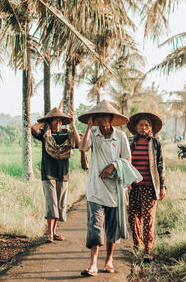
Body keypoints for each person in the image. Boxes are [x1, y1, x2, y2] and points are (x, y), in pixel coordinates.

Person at [78, 100, 132, 277]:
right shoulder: (93, 134)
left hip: (116, 191)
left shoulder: (121, 137)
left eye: (104, 116)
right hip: (96, 190)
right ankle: (93, 263)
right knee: (94, 227)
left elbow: (127, 160)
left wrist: (113, 166)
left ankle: (109, 260)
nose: (101, 120)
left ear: (111, 118)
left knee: (112, 228)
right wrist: (88, 128)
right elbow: (83, 147)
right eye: (97, 116)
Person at [31, 107, 80, 243]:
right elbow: (33, 128)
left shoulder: (67, 134)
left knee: (59, 204)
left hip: (63, 173)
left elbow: (79, 143)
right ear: (50, 121)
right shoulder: (45, 134)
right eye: (54, 120)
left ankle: (54, 232)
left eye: (60, 120)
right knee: (51, 203)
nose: (57, 122)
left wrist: (73, 125)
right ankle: (50, 234)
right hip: (48, 173)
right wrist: (45, 122)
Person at [127, 112, 166, 261]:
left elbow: (161, 166)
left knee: (148, 218)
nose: (143, 128)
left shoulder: (155, 143)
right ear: (136, 127)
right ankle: (137, 244)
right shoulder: (130, 142)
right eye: (141, 125)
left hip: (150, 187)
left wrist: (162, 187)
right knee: (133, 217)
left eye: (146, 125)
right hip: (132, 187)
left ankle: (147, 250)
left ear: (151, 128)